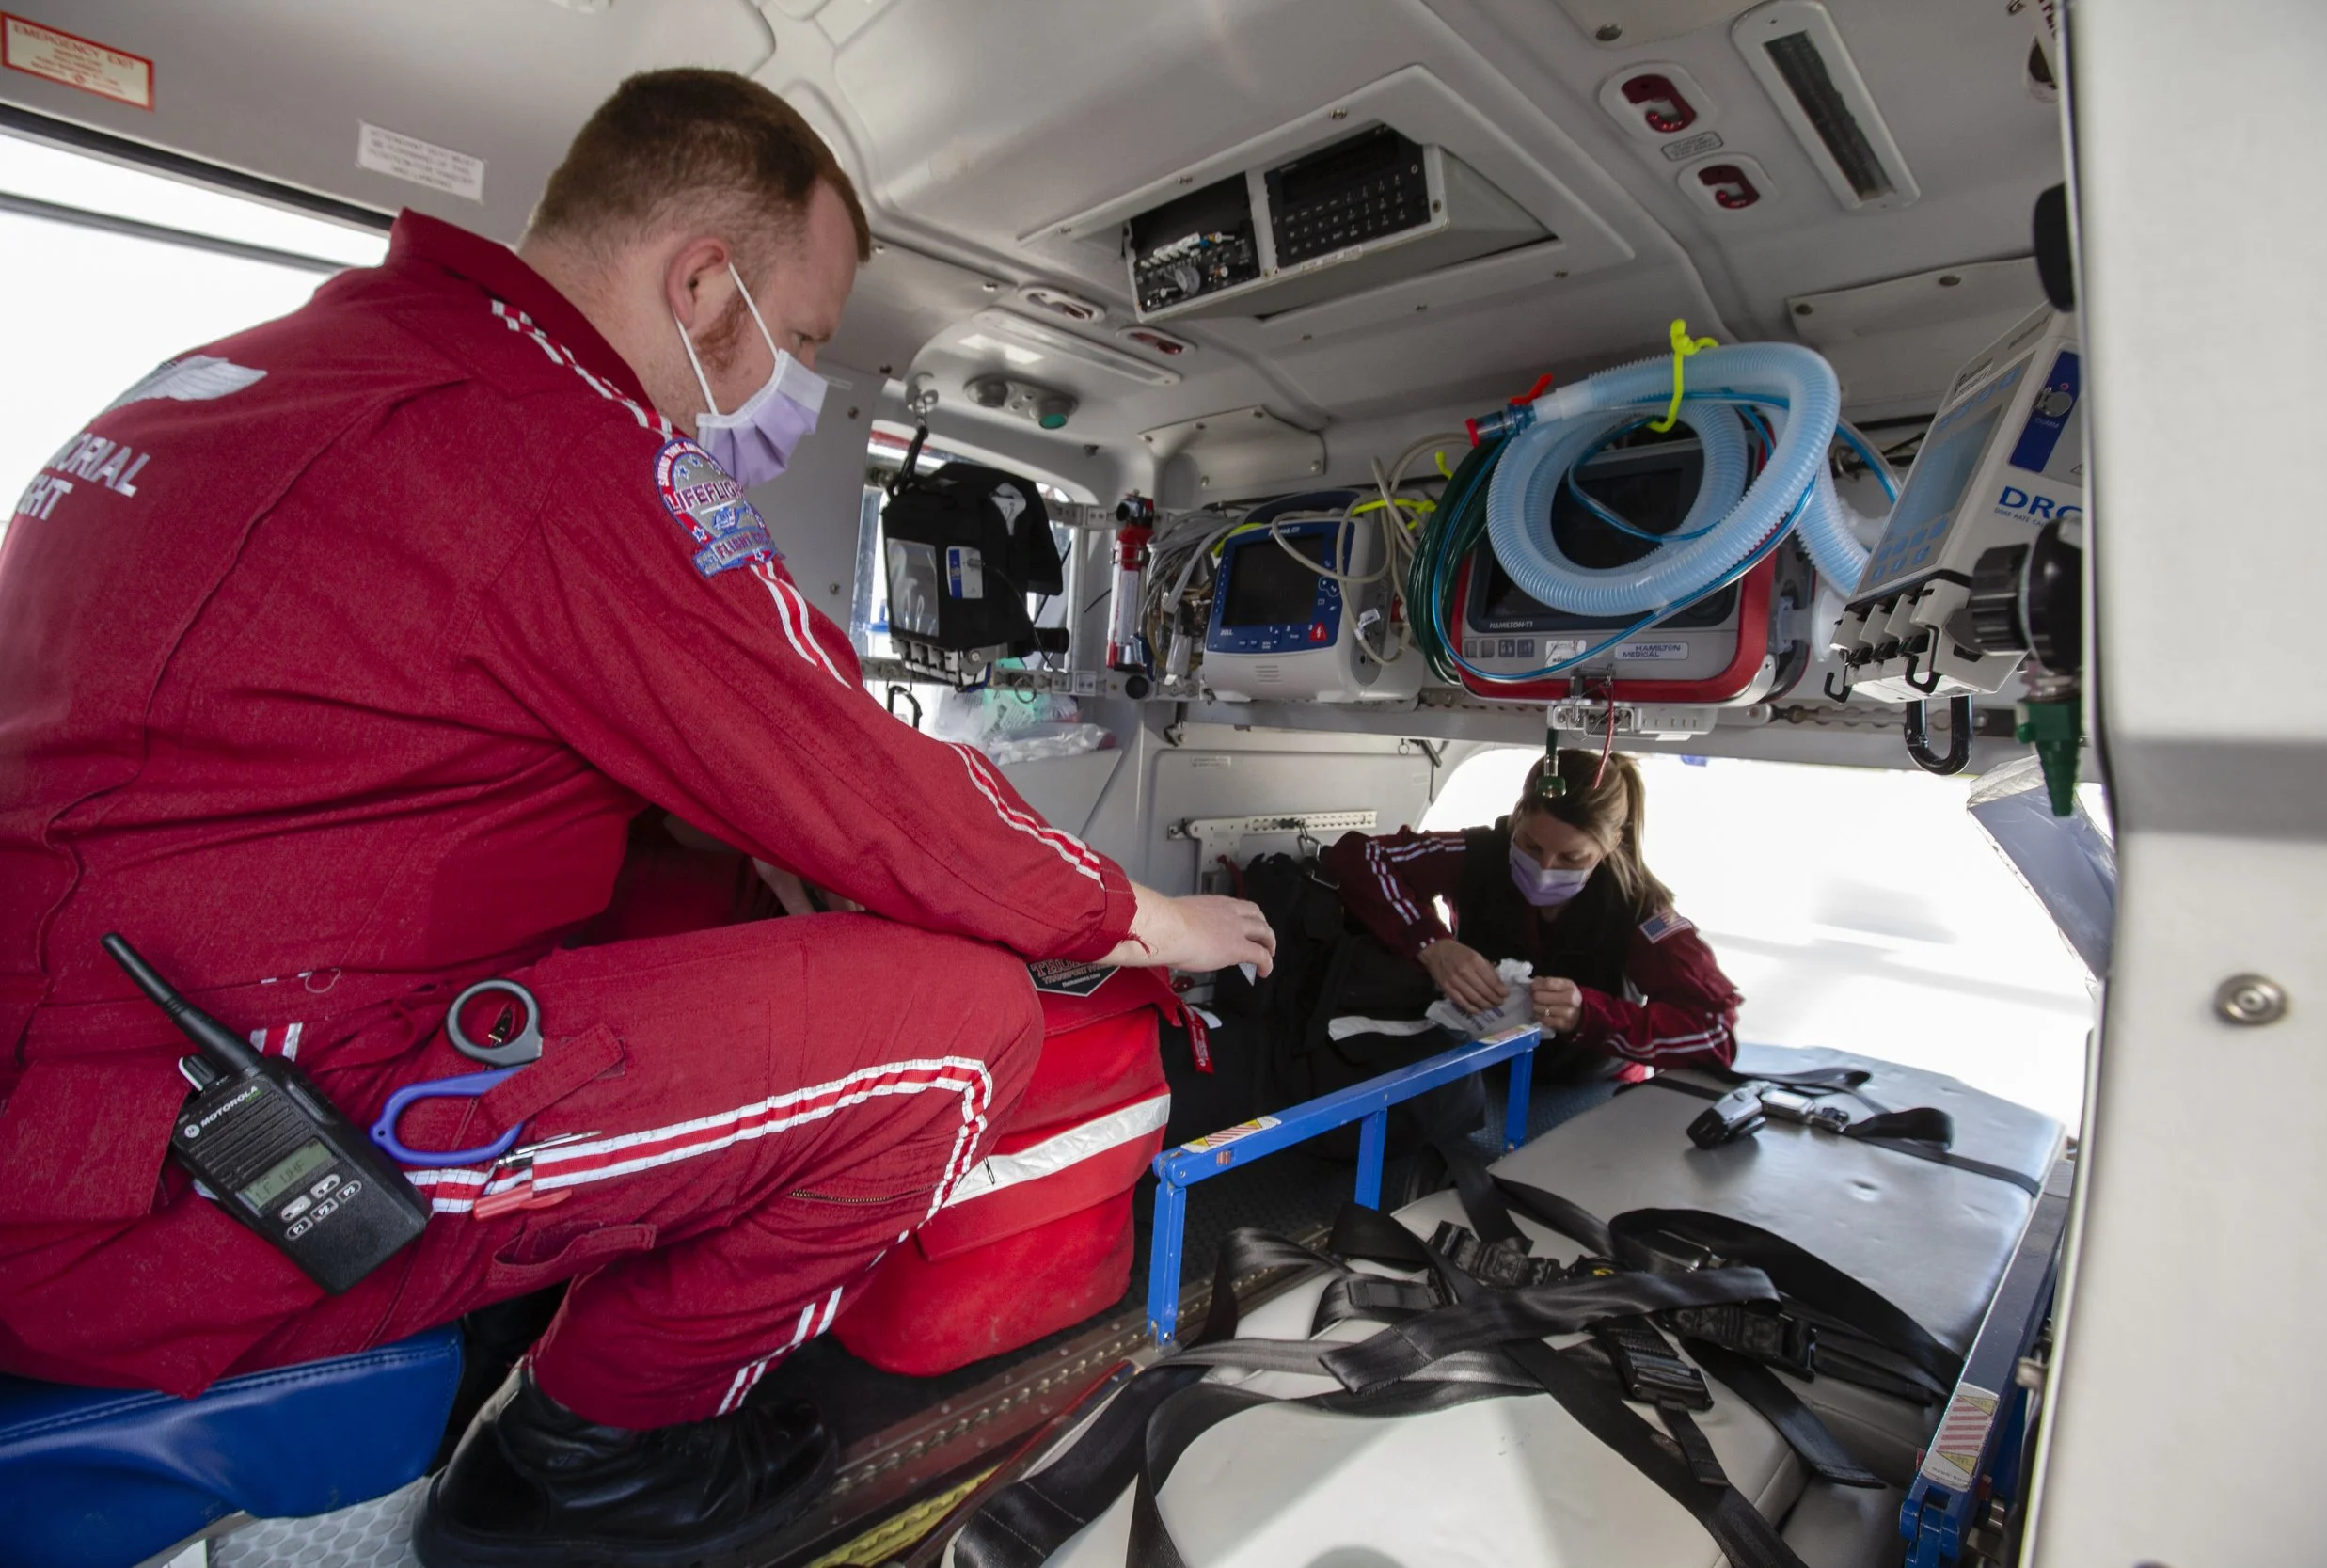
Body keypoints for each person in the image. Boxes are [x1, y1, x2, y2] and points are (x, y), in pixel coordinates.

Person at [0, 70, 1273, 1567]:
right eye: (806, 340)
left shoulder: (269, 371)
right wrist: (1149, 917)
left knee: (693, 883)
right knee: (958, 1030)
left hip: (98, 1092)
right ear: (702, 285)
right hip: (189, 1187)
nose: (803, 385)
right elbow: (864, 768)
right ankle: (584, 1456)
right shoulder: (556, 443)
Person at [1323, 750, 1738, 1084]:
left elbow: (1713, 1033)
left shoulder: (1638, 910)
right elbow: (1360, 856)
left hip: (1591, 1085)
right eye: (1530, 846)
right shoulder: (1480, 855)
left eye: (1571, 858)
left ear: (1612, 843)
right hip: (1476, 1067)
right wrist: (1432, 944)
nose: (1545, 868)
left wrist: (1588, 1015)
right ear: (1518, 816)